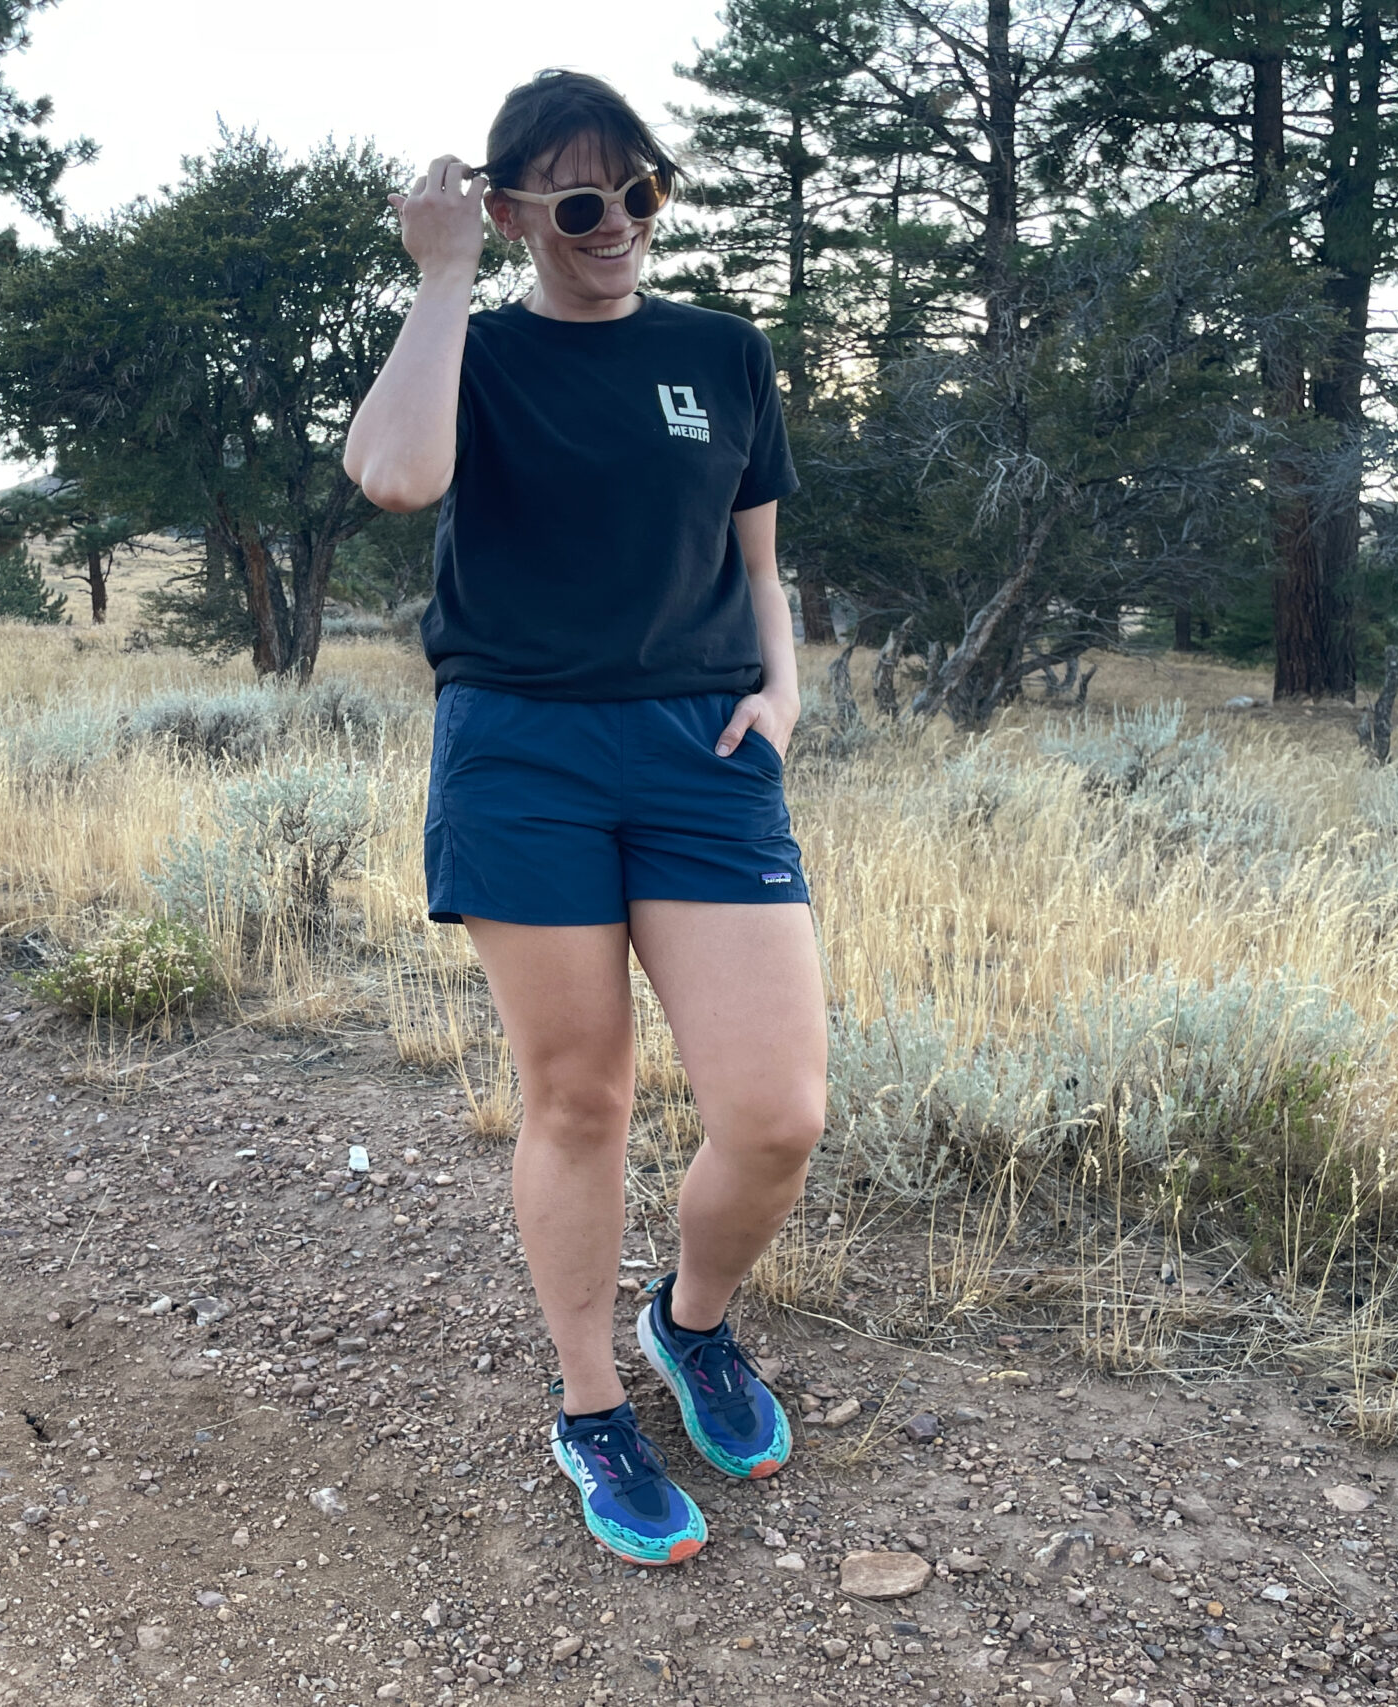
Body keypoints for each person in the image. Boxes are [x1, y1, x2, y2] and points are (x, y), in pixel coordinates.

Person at [343, 69, 828, 1568]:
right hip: (525, 752)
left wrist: (785, 691)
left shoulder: (723, 354)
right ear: (511, 212)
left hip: (701, 751)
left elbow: (757, 560)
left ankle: (691, 1325)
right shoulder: (471, 351)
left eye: (637, 192)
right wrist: (439, 280)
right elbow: (396, 475)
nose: (612, 222)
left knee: (776, 1112)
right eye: (574, 198)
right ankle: (588, 1404)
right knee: (581, 1097)